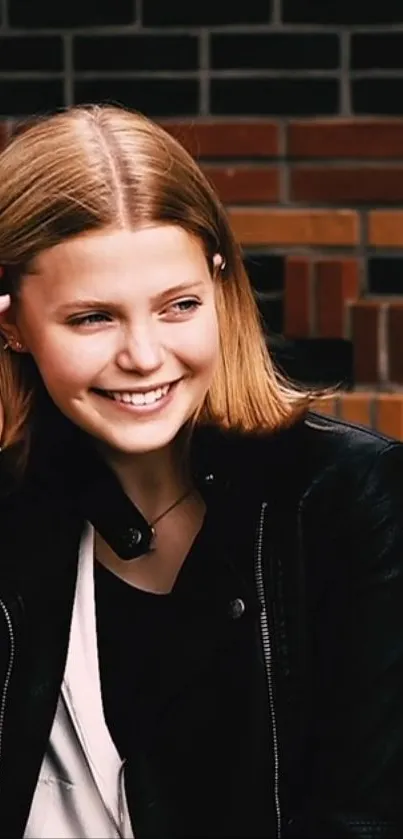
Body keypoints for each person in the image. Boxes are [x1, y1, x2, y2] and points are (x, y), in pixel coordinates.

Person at [0, 104, 401, 839]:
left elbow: (367, 814)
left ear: (219, 284)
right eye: (93, 317)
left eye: (178, 305)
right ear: (12, 323)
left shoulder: (351, 498)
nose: (145, 355)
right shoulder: (15, 508)